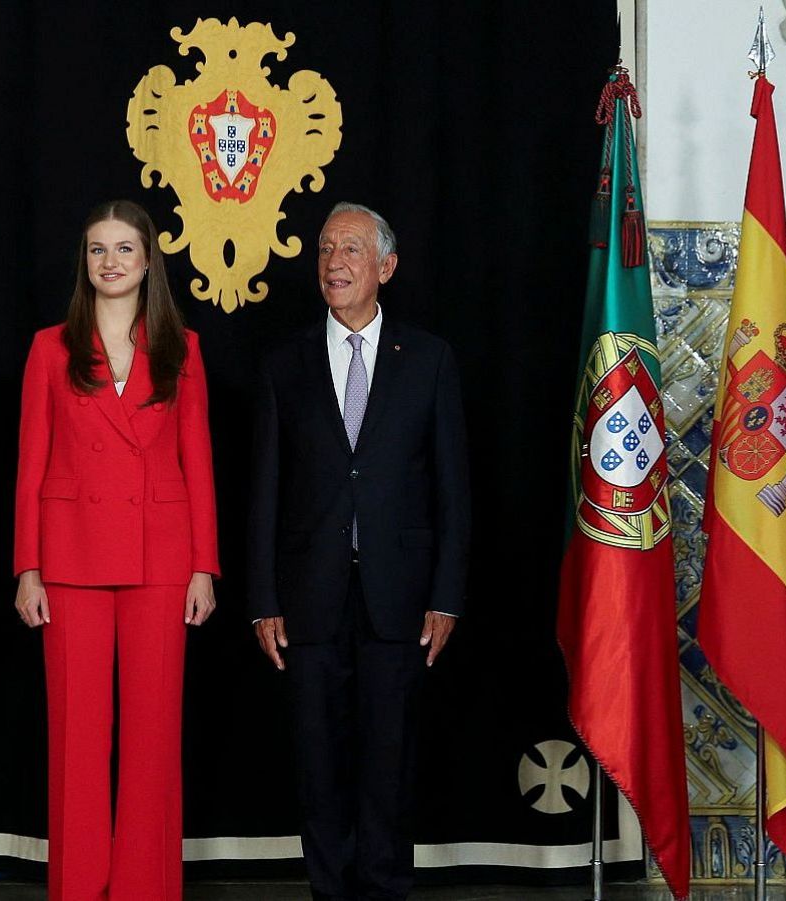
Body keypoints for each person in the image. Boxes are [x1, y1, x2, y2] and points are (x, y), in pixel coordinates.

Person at [248, 203, 470, 901]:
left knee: (388, 760)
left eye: (350, 249)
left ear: (386, 266)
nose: (333, 262)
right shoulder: (284, 363)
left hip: (399, 597)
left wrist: (447, 594)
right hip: (307, 597)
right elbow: (263, 491)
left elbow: (453, 489)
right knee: (318, 763)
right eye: (324, 249)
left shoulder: (429, 358)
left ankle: (383, 887)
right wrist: (261, 599)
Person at [13, 199, 218, 901]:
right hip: (69, 560)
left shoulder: (182, 347)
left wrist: (205, 566)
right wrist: (27, 567)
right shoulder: (50, 347)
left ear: (148, 260)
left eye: (124, 248)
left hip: (162, 560)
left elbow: (198, 462)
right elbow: (30, 463)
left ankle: (145, 888)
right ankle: (77, 889)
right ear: (85, 261)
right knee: (76, 738)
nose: (110, 262)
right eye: (98, 249)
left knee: (153, 737)